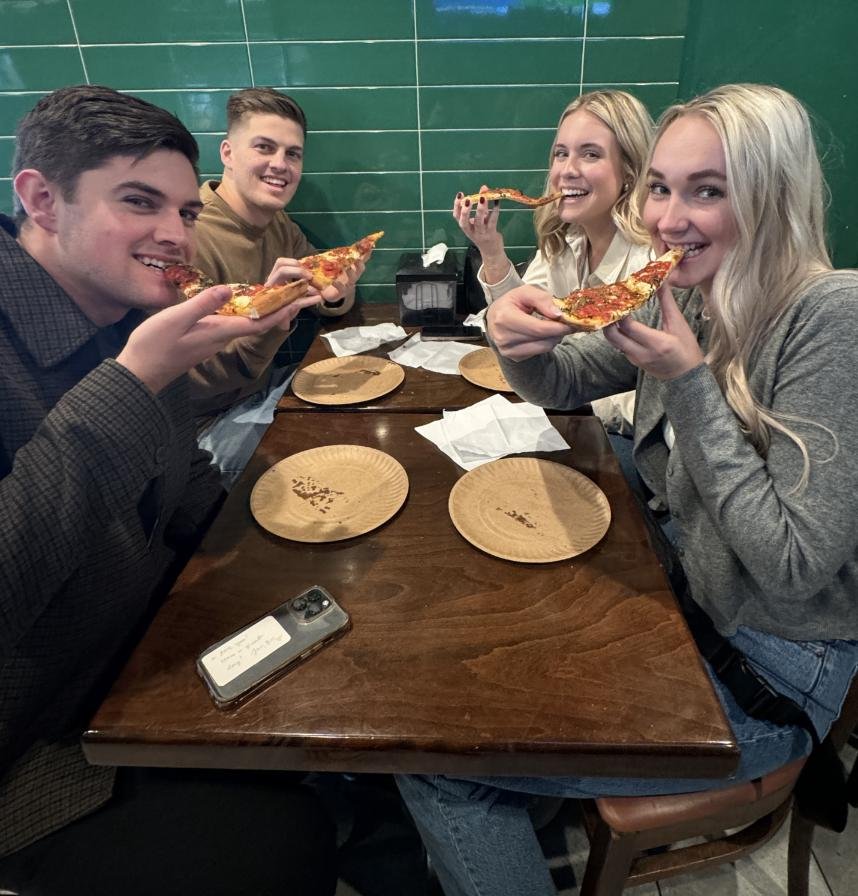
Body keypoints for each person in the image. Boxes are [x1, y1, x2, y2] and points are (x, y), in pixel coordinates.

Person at [396, 83, 858, 895]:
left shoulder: (831, 316)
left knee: (440, 765)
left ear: (773, 194)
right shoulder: (688, 290)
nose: (670, 219)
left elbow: (792, 565)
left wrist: (685, 380)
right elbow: (567, 379)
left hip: (772, 667)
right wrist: (518, 337)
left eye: (708, 191)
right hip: (677, 592)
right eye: (663, 187)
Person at [0, 85, 335, 895]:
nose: (173, 234)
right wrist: (136, 378)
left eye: (185, 213)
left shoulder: (125, 309)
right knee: (282, 839)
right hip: (36, 749)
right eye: (138, 202)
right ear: (42, 199)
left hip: (146, 662)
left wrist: (292, 548)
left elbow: (187, 494)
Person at [453, 89, 654, 441]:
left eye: (590, 154)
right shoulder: (565, 242)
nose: (566, 171)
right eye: (561, 154)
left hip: (624, 438)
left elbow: (647, 403)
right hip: (560, 403)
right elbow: (524, 324)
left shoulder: (649, 268)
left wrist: (575, 400)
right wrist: (490, 248)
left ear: (630, 171)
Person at [190, 87, 365, 486]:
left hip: (265, 388)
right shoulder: (190, 237)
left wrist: (338, 292)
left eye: (293, 153)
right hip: (204, 427)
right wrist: (269, 312)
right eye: (264, 148)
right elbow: (189, 379)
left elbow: (323, 290)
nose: (280, 165)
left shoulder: (277, 222)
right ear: (227, 153)